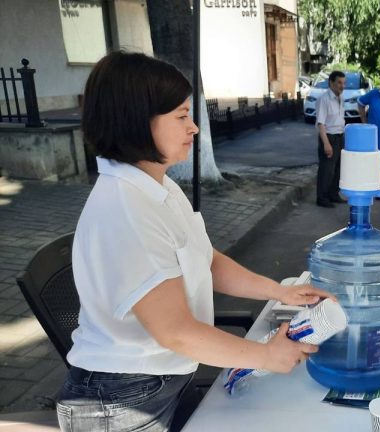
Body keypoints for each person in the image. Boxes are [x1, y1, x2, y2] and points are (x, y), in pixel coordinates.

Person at [56, 51, 334, 431]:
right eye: (181, 117)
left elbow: (205, 258)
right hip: (120, 401)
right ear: (137, 122)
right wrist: (266, 357)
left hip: (163, 379)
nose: (194, 128)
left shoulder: (158, 186)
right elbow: (176, 331)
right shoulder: (125, 208)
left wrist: (280, 292)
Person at [315, 70, 346, 208]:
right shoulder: (324, 99)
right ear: (331, 83)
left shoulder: (341, 98)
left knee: (338, 169)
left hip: (339, 137)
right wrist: (326, 144)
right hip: (329, 137)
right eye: (339, 82)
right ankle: (322, 198)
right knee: (326, 170)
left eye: (343, 83)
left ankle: (333, 194)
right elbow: (320, 123)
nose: (342, 86)